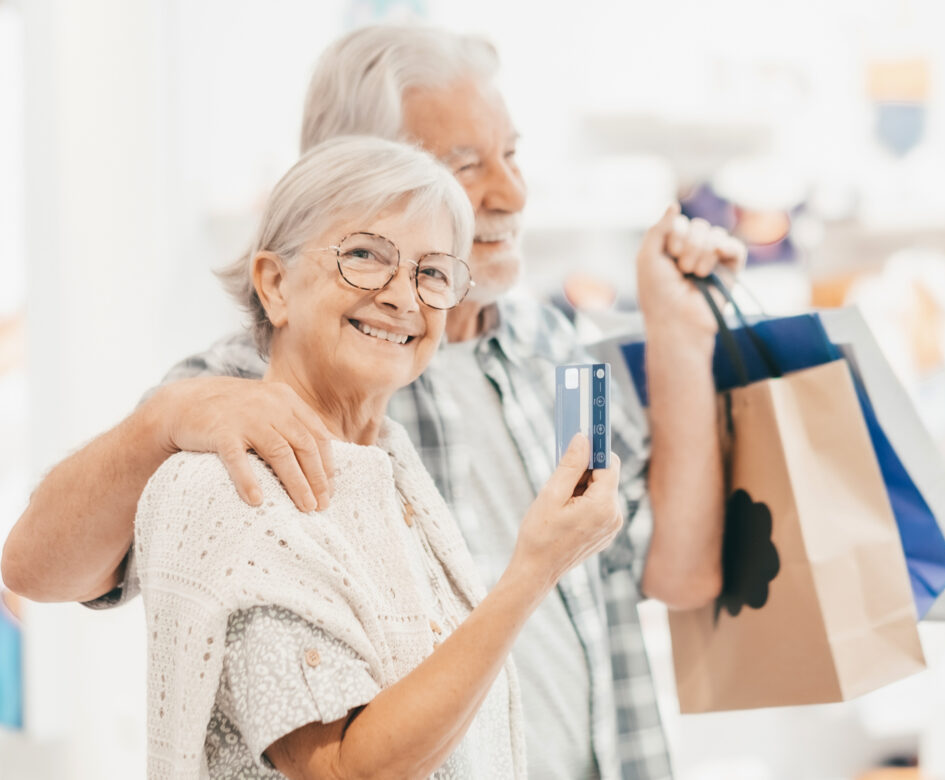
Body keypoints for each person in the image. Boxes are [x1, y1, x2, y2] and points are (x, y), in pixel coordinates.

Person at [2, 24, 743, 780]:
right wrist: (163, 419)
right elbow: (35, 567)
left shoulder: (549, 352)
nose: (512, 193)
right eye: (464, 166)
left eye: (510, 155)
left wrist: (680, 337)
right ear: (358, 175)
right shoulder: (254, 397)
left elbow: (675, 573)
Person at [141, 134, 625, 778]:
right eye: (365, 257)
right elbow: (345, 769)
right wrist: (535, 569)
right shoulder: (236, 486)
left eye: (431, 272)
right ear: (275, 284)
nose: (403, 296)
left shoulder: (391, 474)